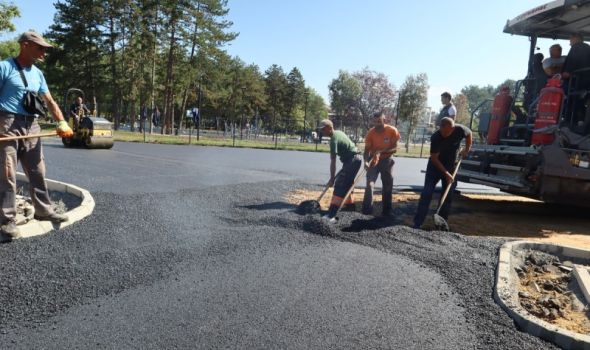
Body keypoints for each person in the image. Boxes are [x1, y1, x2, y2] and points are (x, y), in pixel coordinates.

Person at [0, 31, 73, 238]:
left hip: (32, 125)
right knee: (7, 173)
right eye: (40, 47)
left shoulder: (38, 73)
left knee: (38, 170)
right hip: (6, 123)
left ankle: (43, 210)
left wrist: (61, 121)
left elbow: (49, 100)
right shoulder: (4, 67)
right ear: (25, 45)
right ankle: (7, 220)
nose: (44, 52)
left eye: (45, 49)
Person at [413, 117, 472, 230]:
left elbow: (469, 134)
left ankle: (441, 224)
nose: (444, 134)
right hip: (435, 168)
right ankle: (418, 223)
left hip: (451, 167)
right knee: (427, 193)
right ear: (440, 127)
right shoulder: (436, 137)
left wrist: (467, 149)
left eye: (447, 132)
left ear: (453, 128)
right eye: (443, 131)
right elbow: (434, 158)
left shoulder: (459, 130)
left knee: (447, 196)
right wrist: (446, 173)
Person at [319, 119, 362, 222]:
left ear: (329, 128)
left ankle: (332, 214)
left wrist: (332, 179)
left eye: (323, 129)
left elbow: (333, 161)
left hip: (352, 160)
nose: (322, 132)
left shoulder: (334, 140)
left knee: (340, 183)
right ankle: (350, 208)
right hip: (353, 159)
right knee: (347, 183)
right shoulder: (339, 132)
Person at [362, 112, 400, 217]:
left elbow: (395, 148)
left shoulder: (392, 131)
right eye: (375, 121)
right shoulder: (371, 133)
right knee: (369, 184)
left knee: (387, 186)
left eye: (379, 121)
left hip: (387, 160)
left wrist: (381, 151)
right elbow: (366, 150)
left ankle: (387, 211)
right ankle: (366, 211)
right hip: (373, 160)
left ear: (384, 120)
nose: (377, 123)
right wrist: (365, 160)